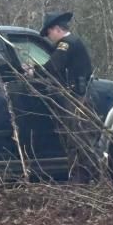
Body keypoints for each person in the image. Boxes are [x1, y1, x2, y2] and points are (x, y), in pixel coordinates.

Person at [39, 11, 95, 183]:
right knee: (76, 137)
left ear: (56, 29)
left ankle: (85, 178)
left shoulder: (66, 44)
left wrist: (33, 71)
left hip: (75, 98)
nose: (49, 38)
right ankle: (80, 177)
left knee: (78, 138)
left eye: (48, 33)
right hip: (76, 95)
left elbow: (53, 66)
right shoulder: (73, 42)